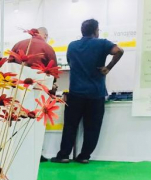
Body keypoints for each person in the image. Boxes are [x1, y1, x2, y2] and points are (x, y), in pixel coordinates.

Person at [51, 19, 123, 164]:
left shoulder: (72, 46)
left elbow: (71, 63)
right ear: (96, 30)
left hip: (76, 92)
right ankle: (84, 156)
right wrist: (108, 67)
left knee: (70, 125)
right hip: (96, 93)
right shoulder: (102, 43)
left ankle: (64, 155)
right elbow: (119, 51)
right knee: (92, 127)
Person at [10, 27, 58, 162]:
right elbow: (53, 72)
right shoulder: (47, 48)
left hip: (18, 89)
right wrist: (52, 86)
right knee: (36, 123)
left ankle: (17, 151)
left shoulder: (18, 44)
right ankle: (36, 154)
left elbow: (10, 65)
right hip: (39, 91)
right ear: (45, 35)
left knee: (17, 119)